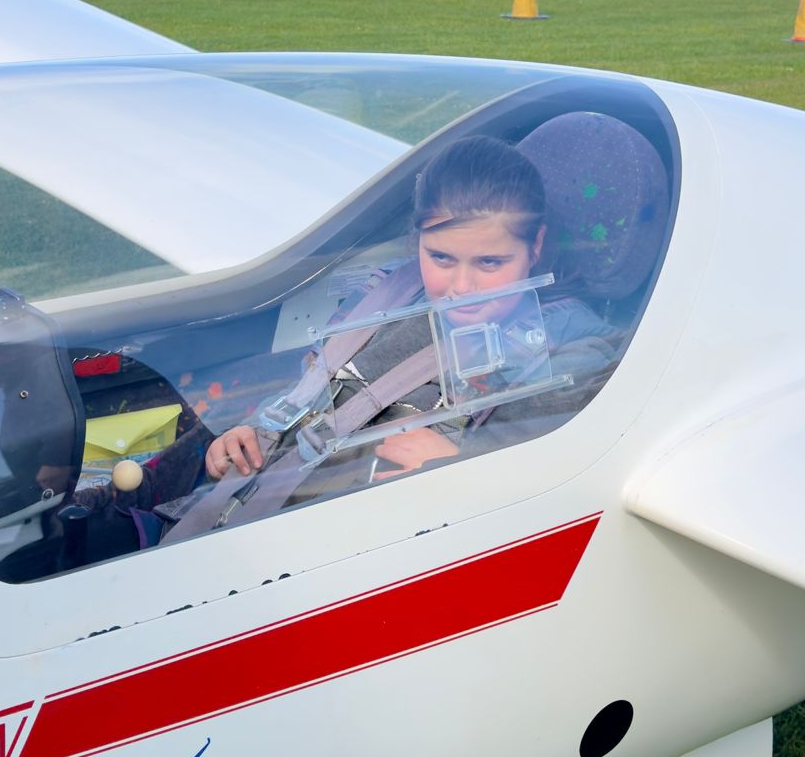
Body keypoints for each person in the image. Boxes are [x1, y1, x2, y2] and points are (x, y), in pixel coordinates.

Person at [55, 138, 618, 567]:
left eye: (490, 263)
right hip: (227, 521)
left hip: (331, 563)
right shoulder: (388, 295)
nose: (461, 288)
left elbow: (559, 490)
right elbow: (312, 391)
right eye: (441, 257)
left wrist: (457, 466)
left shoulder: (572, 354)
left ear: (536, 245)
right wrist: (246, 435)